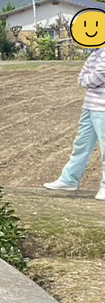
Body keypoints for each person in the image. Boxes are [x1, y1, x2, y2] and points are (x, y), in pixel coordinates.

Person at [44, 45, 105, 199]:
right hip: (90, 105)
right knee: (81, 144)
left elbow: (97, 77)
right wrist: (86, 79)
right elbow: (82, 76)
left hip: (102, 107)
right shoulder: (97, 52)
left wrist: (86, 79)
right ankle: (69, 180)